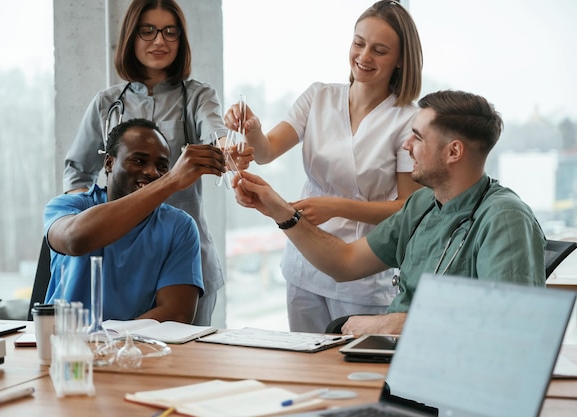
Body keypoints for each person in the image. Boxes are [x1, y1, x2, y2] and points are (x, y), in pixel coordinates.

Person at [232, 89, 547, 336]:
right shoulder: (422, 205)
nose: (407, 145)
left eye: (418, 137)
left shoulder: (504, 218)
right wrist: (280, 212)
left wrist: (396, 325)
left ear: (454, 151)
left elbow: (510, 327)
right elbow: (344, 263)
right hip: (395, 353)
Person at [224, 0, 423, 332]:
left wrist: (337, 207)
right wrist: (254, 129)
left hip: (364, 274)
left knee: (354, 373)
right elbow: (266, 152)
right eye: (358, 43)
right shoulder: (319, 97)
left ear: (401, 59)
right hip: (303, 261)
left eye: (379, 50)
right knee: (303, 369)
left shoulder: (408, 119)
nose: (364, 56)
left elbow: (407, 209)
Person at [62, 0, 251, 325]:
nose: (159, 41)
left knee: (184, 362)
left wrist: (228, 148)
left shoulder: (196, 96)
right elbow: (77, 171)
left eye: (170, 32)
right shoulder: (107, 103)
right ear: (131, 37)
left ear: (181, 40)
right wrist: (87, 224)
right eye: (147, 31)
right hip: (117, 259)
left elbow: (214, 130)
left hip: (182, 256)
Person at [45, 118, 226, 322]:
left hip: (136, 349)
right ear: (109, 163)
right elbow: (75, 240)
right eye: (139, 161)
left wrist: (113, 343)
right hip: (67, 347)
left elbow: (177, 313)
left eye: (162, 166)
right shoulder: (67, 206)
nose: (152, 172)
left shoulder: (179, 226)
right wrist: (171, 180)